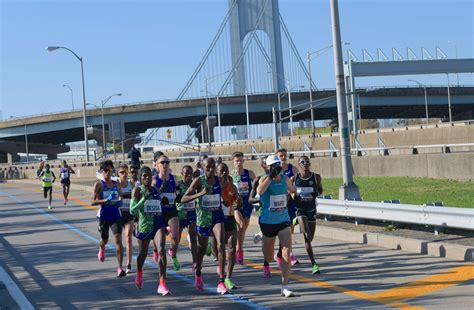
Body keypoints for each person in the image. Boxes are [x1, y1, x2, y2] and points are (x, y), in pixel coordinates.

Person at [181, 157, 229, 295]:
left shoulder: (219, 180)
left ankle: (221, 281)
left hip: (217, 216)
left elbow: (223, 197)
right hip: (203, 219)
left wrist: (226, 201)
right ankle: (198, 271)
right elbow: (184, 199)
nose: (210, 169)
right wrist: (201, 193)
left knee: (221, 245)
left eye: (213, 166)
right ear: (202, 167)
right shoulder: (198, 181)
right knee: (201, 249)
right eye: (207, 167)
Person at [257, 155, 296, 297]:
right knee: (268, 256)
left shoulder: (285, 178)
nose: (276, 168)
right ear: (268, 167)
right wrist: (270, 176)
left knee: (286, 249)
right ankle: (263, 241)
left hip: (283, 220)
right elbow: (259, 191)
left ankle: (285, 285)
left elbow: (292, 189)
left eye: (277, 165)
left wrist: (295, 193)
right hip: (267, 222)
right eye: (272, 166)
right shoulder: (264, 179)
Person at [130, 166, 171, 295]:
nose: (147, 178)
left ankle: (162, 283)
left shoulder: (154, 190)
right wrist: (142, 200)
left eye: (149, 175)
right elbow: (132, 210)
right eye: (144, 176)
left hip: (158, 224)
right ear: (140, 178)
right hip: (144, 226)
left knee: (161, 249)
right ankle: (139, 273)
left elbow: (158, 203)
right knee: (142, 254)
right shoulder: (137, 190)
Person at [92, 160, 125, 278]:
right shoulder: (99, 185)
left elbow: (121, 196)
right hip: (104, 216)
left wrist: (119, 201)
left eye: (110, 170)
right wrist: (106, 200)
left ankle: (120, 268)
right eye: (105, 171)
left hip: (115, 215)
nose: (108, 173)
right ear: (101, 172)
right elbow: (93, 202)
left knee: (118, 240)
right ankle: (101, 246)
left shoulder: (116, 184)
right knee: (104, 239)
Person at [214, 162, 241, 290]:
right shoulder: (213, 185)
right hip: (216, 221)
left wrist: (238, 200)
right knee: (219, 249)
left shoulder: (232, 185)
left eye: (226, 170)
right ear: (216, 172)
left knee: (231, 249)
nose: (224, 173)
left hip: (229, 219)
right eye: (221, 171)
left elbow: (237, 203)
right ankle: (220, 270)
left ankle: (228, 278)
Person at [294, 155, 323, 275]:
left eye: (307, 162)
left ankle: (296, 221)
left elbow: (320, 190)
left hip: (311, 209)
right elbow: (290, 190)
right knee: (306, 234)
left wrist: (314, 193)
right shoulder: (295, 177)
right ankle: (314, 263)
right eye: (302, 162)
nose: (305, 164)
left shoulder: (316, 177)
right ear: (299, 165)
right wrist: (293, 196)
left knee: (310, 238)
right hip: (300, 209)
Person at [153, 155, 181, 271]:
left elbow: (178, 190)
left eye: (167, 162)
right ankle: (156, 250)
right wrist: (160, 191)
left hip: (171, 209)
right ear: (157, 166)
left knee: (175, 236)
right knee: (159, 240)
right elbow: (152, 196)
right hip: (159, 212)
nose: (165, 165)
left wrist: (179, 195)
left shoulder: (173, 178)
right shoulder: (155, 180)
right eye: (162, 162)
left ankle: (173, 254)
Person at [230, 151, 256, 264]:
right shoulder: (231, 175)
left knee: (243, 228)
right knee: (240, 225)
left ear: (243, 161)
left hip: (247, 204)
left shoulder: (249, 173)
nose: (239, 163)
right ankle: (239, 251)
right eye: (237, 161)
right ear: (233, 162)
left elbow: (256, 186)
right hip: (236, 205)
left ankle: (238, 247)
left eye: (240, 160)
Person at [275, 148, 299, 266]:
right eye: (280, 156)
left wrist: (293, 194)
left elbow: (296, 185)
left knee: (290, 229)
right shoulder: (275, 171)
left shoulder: (292, 169)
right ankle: (282, 253)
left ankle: (289, 252)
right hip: (279, 203)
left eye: (284, 155)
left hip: (290, 202)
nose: (283, 158)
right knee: (282, 230)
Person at [175, 165, 198, 272]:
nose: (189, 176)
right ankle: (174, 255)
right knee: (177, 239)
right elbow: (179, 199)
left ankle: (195, 262)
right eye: (186, 174)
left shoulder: (194, 184)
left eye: (191, 174)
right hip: (180, 214)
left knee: (193, 237)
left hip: (191, 213)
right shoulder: (178, 185)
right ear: (181, 174)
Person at [118, 164, 134, 274]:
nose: (124, 174)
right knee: (119, 241)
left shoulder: (131, 185)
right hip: (118, 215)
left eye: (125, 172)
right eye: (122, 172)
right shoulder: (115, 185)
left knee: (128, 237)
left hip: (129, 214)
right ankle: (120, 265)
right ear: (118, 174)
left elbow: (135, 199)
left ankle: (129, 264)